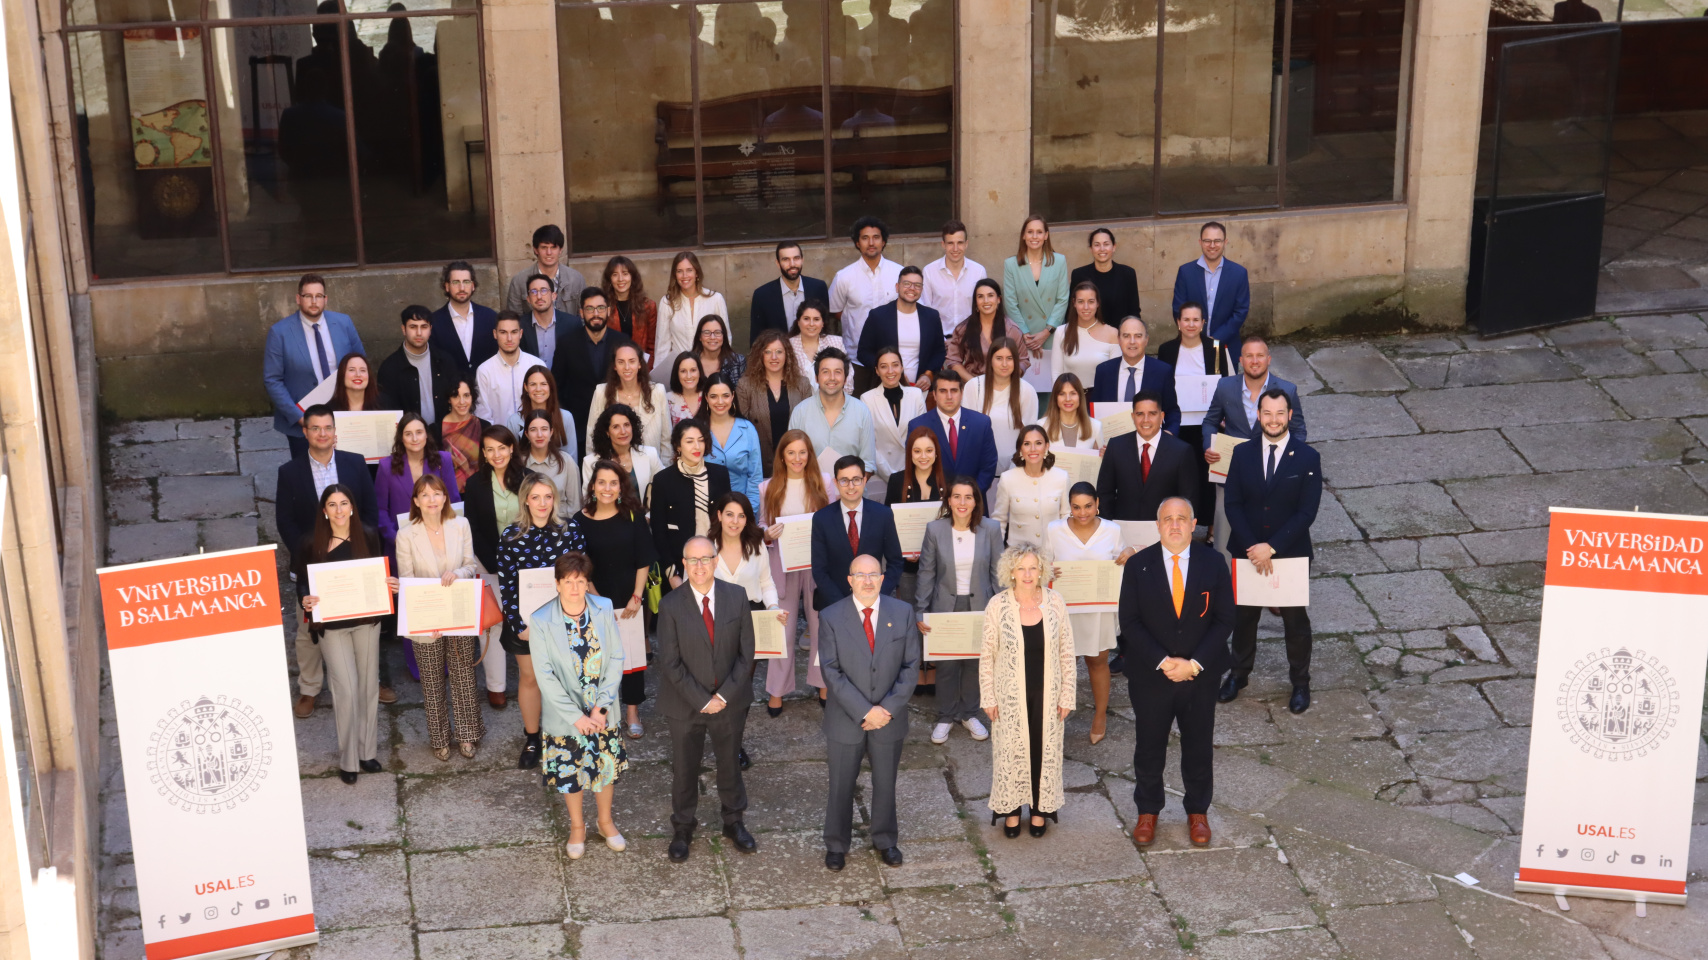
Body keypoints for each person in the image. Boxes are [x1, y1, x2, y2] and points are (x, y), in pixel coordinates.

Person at [1121, 496, 1235, 849]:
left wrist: (1194, 664)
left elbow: (1224, 619)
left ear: (1193, 523)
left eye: (1181, 519)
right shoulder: (1138, 565)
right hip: (1152, 675)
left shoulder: (1213, 562)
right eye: (1167, 519)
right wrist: (1163, 662)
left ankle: (1197, 811)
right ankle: (1148, 812)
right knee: (1149, 746)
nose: (1174, 525)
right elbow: (1130, 622)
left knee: (1199, 746)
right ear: (1158, 526)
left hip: (1200, 675)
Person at [656, 536, 759, 862]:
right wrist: (702, 699)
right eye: (692, 560)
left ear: (715, 561)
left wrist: (723, 695)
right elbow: (669, 662)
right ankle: (683, 827)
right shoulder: (671, 605)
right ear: (684, 564)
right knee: (685, 769)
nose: (699, 566)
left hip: (730, 701)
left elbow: (747, 653)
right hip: (685, 704)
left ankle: (734, 821)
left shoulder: (737, 596)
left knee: (730, 764)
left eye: (705, 559)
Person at [276, 406, 379, 718]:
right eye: (315, 428)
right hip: (312, 564)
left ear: (336, 432)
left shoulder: (355, 463)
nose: (322, 434)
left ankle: (370, 681)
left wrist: (364, 552)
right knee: (309, 629)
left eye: (327, 428)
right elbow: (285, 522)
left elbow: (370, 512)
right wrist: (310, 553)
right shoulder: (290, 472)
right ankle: (309, 688)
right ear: (305, 433)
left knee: (362, 623)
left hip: (354, 559)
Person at [819, 553, 920, 871]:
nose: (867, 581)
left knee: (886, 782)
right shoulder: (831, 616)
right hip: (846, 718)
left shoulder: (902, 612)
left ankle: (886, 840)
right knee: (841, 784)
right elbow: (831, 671)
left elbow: (910, 665)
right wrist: (864, 711)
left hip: (889, 719)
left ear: (882, 578)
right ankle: (836, 843)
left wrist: (886, 709)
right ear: (849, 580)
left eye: (873, 574)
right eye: (860, 575)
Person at [1221, 390, 1321, 714]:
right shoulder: (1242, 454)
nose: (1273, 420)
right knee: (1244, 617)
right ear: (1258, 416)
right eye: (1267, 413)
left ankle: (1301, 682)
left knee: (1295, 621)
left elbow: (1306, 513)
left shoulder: (1307, 458)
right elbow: (1232, 503)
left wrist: (1272, 547)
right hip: (1248, 551)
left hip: (1289, 553)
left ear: (1290, 415)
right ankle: (1238, 674)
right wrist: (1254, 548)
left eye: (1280, 413)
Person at [292, 484, 397, 784]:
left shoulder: (368, 534)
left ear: (352, 506)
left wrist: (387, 584)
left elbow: (377, 572)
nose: (339, 510)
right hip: (331, 626)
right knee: (346, 689)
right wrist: (305, 598)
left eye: (344, 503)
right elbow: (302, 582)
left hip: (367, 622)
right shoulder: (311, 541)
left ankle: (367, 753)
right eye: (332, 505)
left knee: (367, 687)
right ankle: (348, 760)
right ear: (324, 511)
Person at [530, 551, 630, 859]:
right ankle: (577, 827)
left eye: (581, 581)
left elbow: (615, 658)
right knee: (569, 772)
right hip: (565, 715)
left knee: (604, 768)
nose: (575, 588)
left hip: (602, 710)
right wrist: (576, 717)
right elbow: (544, 677)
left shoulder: (603, 607)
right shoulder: (541, 620)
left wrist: (600, 708)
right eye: (569, 581)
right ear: (558, 584)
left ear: (588, 583)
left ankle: (605, 822)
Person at [980, 542, 1075, 838]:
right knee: (1010, 752)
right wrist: (988, 696)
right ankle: (1011, 809)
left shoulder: (1056, 601)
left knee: (1042, 750)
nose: (1027, 573)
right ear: (1011, 571)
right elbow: (986, 654)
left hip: (1048, 692)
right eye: (1021, 567)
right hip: (1009, 695)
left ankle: (1039, 810)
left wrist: (1068, 694)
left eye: (1033, 567)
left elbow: (1067, 651)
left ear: (1042, 569)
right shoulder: (998, 605)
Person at [497, 473, 588, 770]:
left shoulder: (570, 530)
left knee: (566, 677)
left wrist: (575, 617)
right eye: (535, 497)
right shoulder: (511, 536)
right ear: (525, 499)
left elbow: (579, 576)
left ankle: (567, 733)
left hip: (564, 618)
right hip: (525, 624)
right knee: (530, 678)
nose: (542, 503)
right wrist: (518, 625)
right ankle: (533, 738)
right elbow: (507, 585)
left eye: (547, 496)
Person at [394, 474, 484, 761]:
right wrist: (425, 620)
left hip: (458, 612)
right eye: (425, 495)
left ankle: (468, 736)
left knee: (464, 676)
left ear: (445, 497)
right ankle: (440, 738)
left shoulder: (461, 525)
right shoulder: (406, 534)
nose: (431, 500)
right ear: (416, 502)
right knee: (432, 681)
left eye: (437, 494)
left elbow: (470, 565)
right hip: (426, 619)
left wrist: (457, 573)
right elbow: (407, 582)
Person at [1201, 336, 1306, 558]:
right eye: (1249, 355)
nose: (1254, 360)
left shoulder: (1288, 390)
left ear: (1269, 359)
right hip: (1229, 470)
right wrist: (1209, 446)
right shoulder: (1225, 386)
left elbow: (1299, 431)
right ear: (1241, 360)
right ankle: (1225, 581)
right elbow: (1210, 421)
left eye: (1260, 355)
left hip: (1271, 472)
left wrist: (1289, 459)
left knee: (1268, 528)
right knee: (1224, 530)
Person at [914, 477, 1001, 745]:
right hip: (944, 607)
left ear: (977, 501)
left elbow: (999, 571)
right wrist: (920, 610)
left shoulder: (991, 528)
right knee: (947, 665)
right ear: (948, 501)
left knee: (976, 663)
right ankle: (945, 716)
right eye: (957, 497)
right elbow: (927, 572)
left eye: (968, 497)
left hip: (980, 607)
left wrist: (1003, 609)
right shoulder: (935, 529)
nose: (962, 503)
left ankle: (970, 713)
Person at [1045, 483, 1132, 745]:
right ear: (1068, 506)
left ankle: (1100, 715)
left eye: (1088, 506)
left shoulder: (1112, 530)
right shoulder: (1054, 530)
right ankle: (1055, 716)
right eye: (1075, 507)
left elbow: (1123, 561)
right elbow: (1042, 564)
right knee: (1061, 665)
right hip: (1065, 609)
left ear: (1097, 503)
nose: (1082, 512)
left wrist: (1130, 553)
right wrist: (1047, 571)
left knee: (1097, 662)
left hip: (1098, 611)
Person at [579, 460, 657, 739]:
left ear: (621, 487)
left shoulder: (633, 516)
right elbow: (580, 564)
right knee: (598, 662)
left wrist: (637, 596)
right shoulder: (580, 520)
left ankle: (633, 712)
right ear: (593, 486)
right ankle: (602, 713)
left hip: (630, 598)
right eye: (602, 482)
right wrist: (598, 601)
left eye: (613, 483)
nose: (607, 488)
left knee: (632, 659)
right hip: (594, 600)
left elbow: (644, 558)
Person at [757, 431, 832, 713]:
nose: (797, 458)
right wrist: (766, 534)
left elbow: (833, 519)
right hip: (782, 564)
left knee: (820, 627)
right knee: (783, 629)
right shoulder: (769, 487)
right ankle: (777, 690)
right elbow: (762, 524)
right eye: (791, 453)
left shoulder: (824, 483)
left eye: (802, 452)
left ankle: (823, 684)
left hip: (816, 565)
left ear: (809, 454)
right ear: (782, 456)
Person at [263, 274, 365, 457]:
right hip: (304, 419)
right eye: (308, 296)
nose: (313, 301)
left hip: (343, 413)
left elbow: (361, 363)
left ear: (325, 299)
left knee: (346, 471)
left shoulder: (343, 323)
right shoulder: (280, 333)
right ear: (298, 299)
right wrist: (299, 417)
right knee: (307, 478)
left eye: (318, 296)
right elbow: (272, 380)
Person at [463, 424, 526, 707]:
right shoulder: (475, 484)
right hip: (488, 563)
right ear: (484, 454)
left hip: (526, 563)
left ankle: (538, 679)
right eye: (490, 449)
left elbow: (537, 521)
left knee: (531, 622)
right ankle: (496, 686)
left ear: (512, 448)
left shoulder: (528, 479)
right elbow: (472, 528)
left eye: (502, 447)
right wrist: (495, 564)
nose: (497, 454)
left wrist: (519, 561)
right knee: (491, 624)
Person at [1157, 302, 1230, 522]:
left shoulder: (1216, 348)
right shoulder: (1167, 349)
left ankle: (1210, 526)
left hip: (1208, 422)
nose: (1191, 324)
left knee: (1210, 474)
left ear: (1203, 323)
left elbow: (1224, 384)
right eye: (1186, 320)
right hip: (1177, 422)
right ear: (1178, 323)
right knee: (1180, 473)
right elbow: (1162, 386)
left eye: (1196, 320)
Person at [1097, 391, 1199, 530]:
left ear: (1162, 416)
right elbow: (1105, 493)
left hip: (1166, 532)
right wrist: (1109, 528)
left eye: (1152, 413)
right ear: (1133, 417)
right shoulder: (1115, 446)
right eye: (1140, 414)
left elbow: (1188, 499)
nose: (1146, 420)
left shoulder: (1182, 451)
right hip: (1122, 530)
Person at [811, 456, 903, 610]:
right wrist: (842, 605)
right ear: (835, 483)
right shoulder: (822, 519)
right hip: (835, 606)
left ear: (865, 480)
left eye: (856, 479)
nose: (851, 486)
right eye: (844, 480)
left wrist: (878, 594)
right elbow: (819, 570)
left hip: (875, 603)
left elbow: (895, 562)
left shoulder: (883, 515)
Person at [652, 420, 734, 589]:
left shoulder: (719, 474)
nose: (697, 446)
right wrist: (672, 575)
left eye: (701, 440)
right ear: (678, 446)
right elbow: (659, 533)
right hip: (681, 567)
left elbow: (728, 519)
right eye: (689, 441)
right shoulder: (663, 480)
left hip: (718, 562)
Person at [829, 216, 902, 393]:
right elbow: (836, 311)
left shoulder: (899, 273)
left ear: (883, 241)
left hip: (893, 361)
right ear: (857, 243)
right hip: (856, 360)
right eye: (865, 238)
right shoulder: (844, 277)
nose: (871, 242)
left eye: (876, 237)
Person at [555, 287, 635, 443]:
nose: (596, 314)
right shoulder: (567, 343)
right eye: (590, 309)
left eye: (600, 308)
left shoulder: (623, 342)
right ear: (581, 313)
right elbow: (557, 384)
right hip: (578, 425)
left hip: (616, 423)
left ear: (608, 311)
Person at [375, 413, 461, 554]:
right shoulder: (386, 466)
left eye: (419, 433)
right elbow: (380, 509)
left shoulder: (443, 460)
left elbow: (453, 501)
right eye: (408, 434)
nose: (415, 439)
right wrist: (396, 538)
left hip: (440, 545)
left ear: (426, 434)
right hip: (401, 547)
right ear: (401, 438)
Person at [788, 347, 878, 474]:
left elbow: (868, 464)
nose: (832, 377)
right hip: (811, 491)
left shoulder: (862, 412)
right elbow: (792, 459)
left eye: (838, 372)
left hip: (851, 491)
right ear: (816, 377)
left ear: (845, 378)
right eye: (825, 372)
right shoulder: (800, 412)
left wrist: (847, 489)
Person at [907, 370, 999, 493]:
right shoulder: (917, 426)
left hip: (973, 502)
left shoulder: (981, 423)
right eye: (943, 391)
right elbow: (914, 468)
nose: (949, 396)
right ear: (934, 395)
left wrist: (970, 496)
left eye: (954, 391)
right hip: (934, 502)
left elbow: (988, 465)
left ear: (961, 393)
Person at [736, 329, 811, 477]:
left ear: (787, 355)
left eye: (779, 351)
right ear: (760, 355)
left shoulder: (802, 384)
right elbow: (742, 427)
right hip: (760, 463)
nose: (774, 357)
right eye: (768, 352)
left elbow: (808, 423)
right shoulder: (745, 386)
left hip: (796, 462)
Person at [885, 426, 946, 606]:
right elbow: (888, 524)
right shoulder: (897, 481)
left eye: (929, 450)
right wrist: (904, 550)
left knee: (939, 617)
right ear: (910, 454)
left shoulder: (949, 482)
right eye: (917, 451)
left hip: (942, 566)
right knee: (911, 615)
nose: (923, 456)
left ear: (936, 453)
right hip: (908, 567)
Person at [1091, 316, 1181, 435]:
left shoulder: (1163, 371)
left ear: (1146, 340)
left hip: (1150, 445)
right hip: (1112, 444)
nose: (1132, 341)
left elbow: (1172, 411)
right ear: (1119, 339)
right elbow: (1094, 411)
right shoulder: (1104, 371)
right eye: (1126, 336)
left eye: (1138, 336)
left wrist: (1168, 433)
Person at [857, 266, 944, 388]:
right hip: (885, 386)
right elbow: (863, 353)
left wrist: (928, 374)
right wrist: (888, 371)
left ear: (921, 289)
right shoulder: (878, 316)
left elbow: (939, 351)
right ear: (897, 287)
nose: (912, 288)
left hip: (921, 388)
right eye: (907, 284)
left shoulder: (932, 317)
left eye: (917, 285)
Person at [1001, 216, 1070, 366]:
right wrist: (1025, 335)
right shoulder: (1011, 265)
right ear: (1023, 235)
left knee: (1053, 383)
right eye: (1030, 232)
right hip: (1024, 336)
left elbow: (1063, 299)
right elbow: (1010, 303)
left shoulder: (1059, 261)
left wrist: (1046, 332)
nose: (1034, 236)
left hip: (1052, 333)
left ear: (1046, 236)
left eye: (1039, 232)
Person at [1170, 221, 1250, 345]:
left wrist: (1216, 339)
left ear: (1225, 242)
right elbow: (1178, 308)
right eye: (1207, 241)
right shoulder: (1186, 272)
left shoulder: (1239, 274)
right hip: (1191, 343)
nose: (1212, 245)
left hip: (1226, 345)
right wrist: (1195, 336)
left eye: (1217, 241)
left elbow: (1240, 311)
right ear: (1200, 242)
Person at [378, 305, 458, 428]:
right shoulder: (390, 368)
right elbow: (389, 411)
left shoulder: (445, 361)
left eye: (424, 327)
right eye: (413, 327)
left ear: (430, 329)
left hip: (444, 434)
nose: (419, 333)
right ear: (403, 329)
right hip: (408, 439)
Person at [653, 252, 729, 377]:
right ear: (674, 275)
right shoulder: (667, 302)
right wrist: (659, 380)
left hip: (710, 372)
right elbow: (662, 346)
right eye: (679, 271)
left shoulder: (715, 299)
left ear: (697, 273)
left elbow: (726, 340)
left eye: (689, 270)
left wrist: (720, 371)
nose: (684, 276)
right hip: (680, 373)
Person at [992, 425, 1071, 547]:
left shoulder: (1061, 477)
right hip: (1018, 558)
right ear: (1020, 449)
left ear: (1046, 447)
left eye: (1038, 443)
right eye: (1027, 444)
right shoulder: (1007, 479)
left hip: (1052, 556)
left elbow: (1066, 517)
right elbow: (999, 520)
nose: (1033, 449)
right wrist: (997, 556)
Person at [861, 347, 928, 490]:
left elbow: (923, 437)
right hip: (883, 475)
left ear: (902, 367)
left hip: (915, 473)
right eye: (884, 367)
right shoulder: (867, 399)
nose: (890, 371)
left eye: (895, 365)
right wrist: (892, 477)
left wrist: (913, 472)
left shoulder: (916, 395)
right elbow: (870, 444)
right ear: (877, 371)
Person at [965, 339, 1039, 465]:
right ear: (990, 361)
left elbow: (1029, 435)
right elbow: (967, 432)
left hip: (1015, 467)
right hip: (980, 467)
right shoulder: (973, 386)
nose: (1004, 364)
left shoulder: (1027, 390)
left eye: (1009, 358)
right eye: (999, 358)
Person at [586, 343, 669, 454]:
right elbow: (591, 437)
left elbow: (666, 440)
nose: (627, 367)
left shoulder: (657, 392)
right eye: (621, 362)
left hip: (652, 468)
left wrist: (663, 470)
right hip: (612, 467)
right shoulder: (601, 392)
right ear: (615, 366)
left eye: (632, 361)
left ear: (639, 364)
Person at [945, 278, 1030, 382]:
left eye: (990, 295)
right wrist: (975, 383)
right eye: (980, 296)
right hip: (972, 385)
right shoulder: (963, 329)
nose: (986, 301)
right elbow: (953, 360)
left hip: (1004, 386)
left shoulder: (1011, 329)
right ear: (976, 301)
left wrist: (1008, 380)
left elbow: (1023, 360)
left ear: (999, 299)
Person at [429, 260, 500, 381]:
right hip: (451, 394)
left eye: (466, 282)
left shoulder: (490, 317)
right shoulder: (433, 322)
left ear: (473, 285)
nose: (461, 288)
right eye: (456, 282)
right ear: (447, 286)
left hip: (487, 391)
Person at [583, 404, 666, 506]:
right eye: (616, 427)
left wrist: (648, 517)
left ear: (632, 427)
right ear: (607, 432)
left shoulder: (650, 454)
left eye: (626, 425)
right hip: (608, 520)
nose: (623, 431)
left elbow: (663, 491)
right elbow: (588, 500)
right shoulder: (591, 462)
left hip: (645, 519)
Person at [749, 240, 828, 344]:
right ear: (778, 263)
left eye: (796, 258)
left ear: (802, 260)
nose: (792, 264)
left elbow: (825, 327)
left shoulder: (818, 288)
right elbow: (757, 339)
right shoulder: (762, 295)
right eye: (786, 259)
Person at [474, 312, 545, 425]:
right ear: (495, 334)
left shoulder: (536, 365)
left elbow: (545, 406)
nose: (509, 338)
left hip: (533, 437)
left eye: (514, 332)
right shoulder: (484, 371)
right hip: (500, 439)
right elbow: (483, 414)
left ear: (520, 333)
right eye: (503, 332)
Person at [920, 219, 988, 333]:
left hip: (970, 339)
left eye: (960, 243)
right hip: (940, 340)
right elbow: (925, 311)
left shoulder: (979, 272)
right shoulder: (929, 272)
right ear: (943, 245)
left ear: (966, 244)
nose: (955, 249)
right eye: (950, 243)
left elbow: (984, 309)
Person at [504, 224, 587, 316]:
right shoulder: (519, 281)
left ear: (560, 250)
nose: (549, 253)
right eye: (544, 247)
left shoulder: (576, 279)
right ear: (536, 250)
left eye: (553, 247)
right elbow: (514, 321)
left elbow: (583, 317)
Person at [1049, 281, 1121, 388]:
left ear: (1098, 303)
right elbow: (1056, 374)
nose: (1086, 307)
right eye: (1081, 301)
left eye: (1091, 301)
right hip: (1070, 399)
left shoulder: (1112, 333)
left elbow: (1116, 376)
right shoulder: (1061, 332)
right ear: (1074, 303)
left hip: (1100, 399)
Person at [702, 376, 762, 504]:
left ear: (733, 396)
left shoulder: (748, 429)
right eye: (714, 396)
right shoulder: (697, 430)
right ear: (706, 397)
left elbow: (755, 476)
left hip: (742, 508)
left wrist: (749, 511)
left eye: (725, 395)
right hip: (706, 510)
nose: (720, 401)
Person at [503, 365, 580, 465]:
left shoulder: (566, 417)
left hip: (559, 475)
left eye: (543, 384)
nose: (538, 389)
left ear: (550, 387)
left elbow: (572, 457)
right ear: (526, 387)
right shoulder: (514, 421)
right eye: (533, 384)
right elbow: (512, 459)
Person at [1069, 227, 1142, 324]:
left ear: (1114, 247)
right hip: (1089, 334)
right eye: (1097, 245)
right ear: (1091, 248)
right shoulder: (1079, 275)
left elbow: (1134, 311)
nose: (1102, 249)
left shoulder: (1127, 274)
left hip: (1119, 334)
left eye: (1106, 244)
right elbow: (1071, 310)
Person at [520, 410, 583, 520]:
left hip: (562, 525)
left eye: (544, 429)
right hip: (529, 527)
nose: (539, 434)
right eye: (533, 430)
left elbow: (575, 505)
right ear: (526, 434)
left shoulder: (566, 461)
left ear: (551, 432)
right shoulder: (519, 463)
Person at [601, 255, 657, 364]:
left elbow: (652, 345)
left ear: (632, 277)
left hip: (641, 367)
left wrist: (647, 371)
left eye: (625, 274)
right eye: (615, 275)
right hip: (611, 367)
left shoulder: (648, 306)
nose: (620, 279)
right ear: (609, 279)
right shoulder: (603, 307)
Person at [521, 273, 581, 371]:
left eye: (544, 290)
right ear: (528, 299)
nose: (539, 296)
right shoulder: (520, 326)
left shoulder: (572, 324)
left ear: (554, 296)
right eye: (534, 291)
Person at [788, 301, 849, 395]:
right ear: (798, 322)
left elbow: (848, 378)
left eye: (816, 319)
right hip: (798, 405)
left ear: (823, 323)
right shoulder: (788, 346)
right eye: (806, 319)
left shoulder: (836, 342)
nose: (811, 324)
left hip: (833, 402)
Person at [438, 377, 484, 493]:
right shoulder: (435, 429)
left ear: (472, 397)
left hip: (478, 493)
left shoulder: (484, 426)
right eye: (455, 396)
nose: (462, 402)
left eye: (466, 395)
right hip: (446, 496)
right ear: (449, 399)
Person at [1041, 374, 1102, 451]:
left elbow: (1101, 461)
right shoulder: (1041, 426)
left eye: (1073, 393)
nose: (1068, 399)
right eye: (1062, 394)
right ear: (1055, 398)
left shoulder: (1096, 426)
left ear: (1080, 396)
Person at [326, 352, 392, 413]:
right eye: (352, 370)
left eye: (363, 370)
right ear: (342, 375)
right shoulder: (329, 410)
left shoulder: (385, 404)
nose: (358, 374)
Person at [693, 314, 746, 383]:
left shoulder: (738, 362)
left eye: (717, 332)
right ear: (700, 337)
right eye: (707, 333)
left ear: (724, 336)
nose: (712, 337)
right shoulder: (690, 362)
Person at [666, 352, 705, 427]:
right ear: (677, 374)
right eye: (683, 371)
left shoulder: (709, 397)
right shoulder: (668, 400)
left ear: (699, 372)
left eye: (693, 370)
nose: (689, 376)